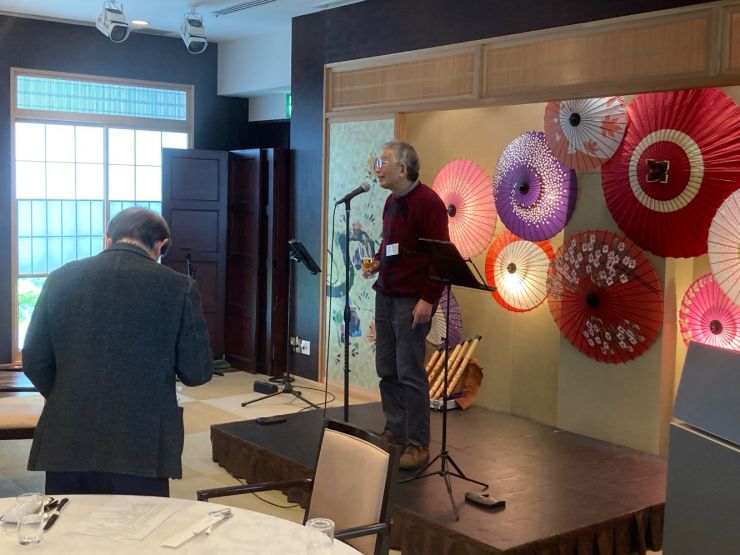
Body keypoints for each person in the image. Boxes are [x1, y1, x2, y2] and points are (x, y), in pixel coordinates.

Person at [23, 207, 214, 497]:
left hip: (68, 431)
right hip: (142, 439)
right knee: (139, 523)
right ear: (161, 245)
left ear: (108, 239)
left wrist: (67, 393)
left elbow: (34, 360)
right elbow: (197, 372)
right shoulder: (179, 286)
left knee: (68, 521)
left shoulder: (60, 278)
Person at [363, 140, 450, 470]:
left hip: (412, 300)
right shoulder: (391, 201)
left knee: (409, 372)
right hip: (385, 294)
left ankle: (418, 443)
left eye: (383, 162)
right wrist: (377, 261)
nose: (378, 168)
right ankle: (395, 432)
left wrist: (428, 298)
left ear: (402, 168)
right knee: (386, 368)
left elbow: (441, 258)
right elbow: (390, 243)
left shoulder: (429, 203)